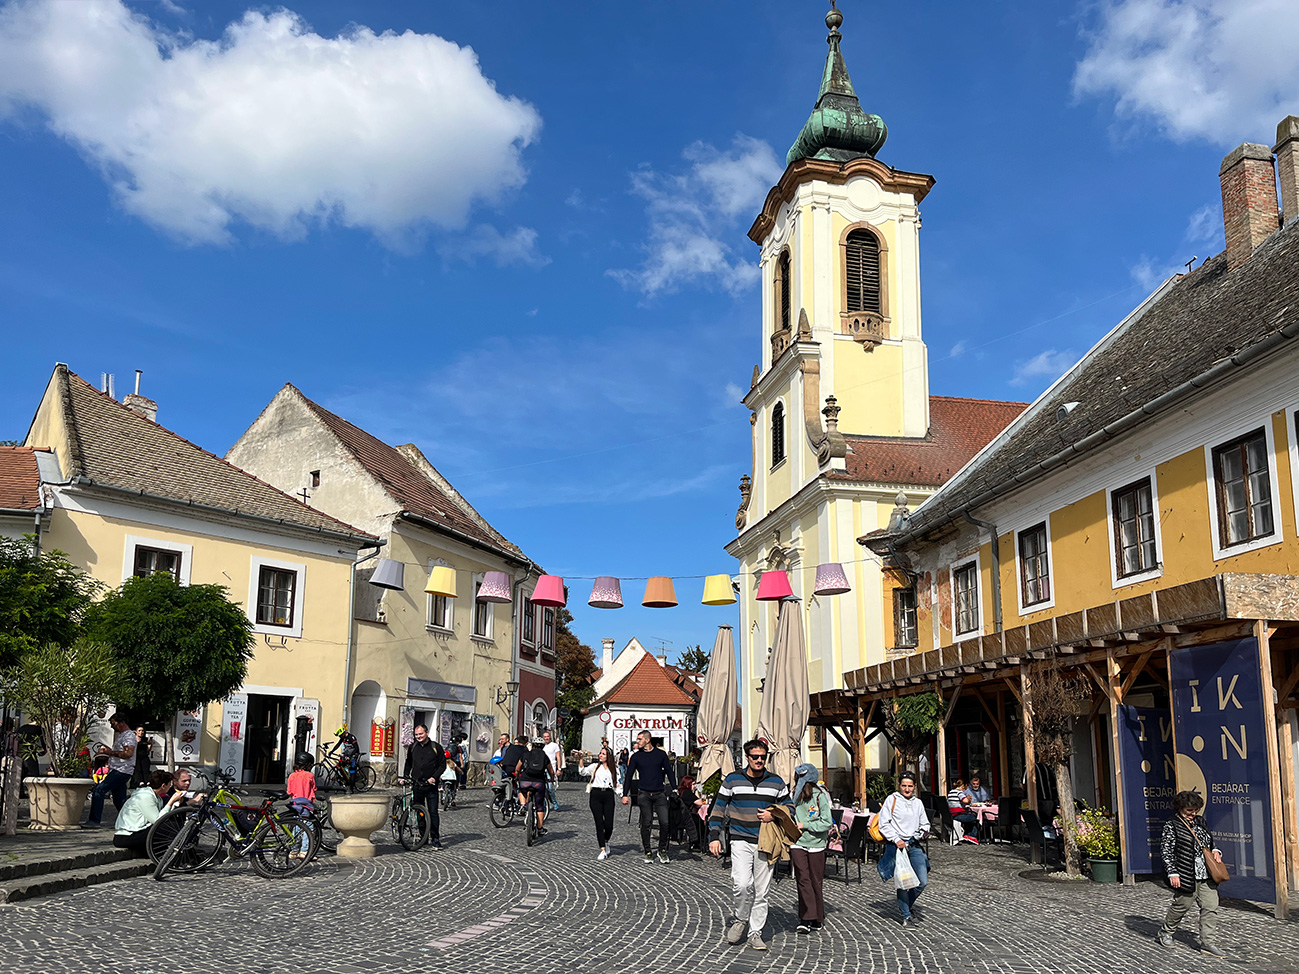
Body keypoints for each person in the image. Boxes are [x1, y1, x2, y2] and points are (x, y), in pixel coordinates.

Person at [708, 739, 792, 952]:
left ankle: (755, 932)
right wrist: (714, 836)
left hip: (766, 842)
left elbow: (790, 807)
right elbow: (718, 808)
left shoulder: (776, 781)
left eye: (763, 757)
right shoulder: (733, 780)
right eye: (755, 757)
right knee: (742, 883)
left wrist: (773, 814)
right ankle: (741, 918)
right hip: (740, 839)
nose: (759, 760)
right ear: (747, 757)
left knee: (762, 891)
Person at [1158, 790, 1227, 957]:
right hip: (1185, 872)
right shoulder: (1171, 824)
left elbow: (1210, 842)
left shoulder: (1201, 822)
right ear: (1180, 808)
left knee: (1210, 907)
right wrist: (1172, 873)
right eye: (1190, 810)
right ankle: (1166, 932)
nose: (1193, 813)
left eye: (1195, 810)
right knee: (1182, 905)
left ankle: (1208, 943)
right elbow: (1166, 850)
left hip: (1206, 873)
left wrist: (1216, 851)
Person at [876, 771, 930, 928]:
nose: (907, 789)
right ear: (899, 785)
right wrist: (896, 839)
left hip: (914, 844)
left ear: (914, 787)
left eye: (910, 786)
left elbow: (925, 823)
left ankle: (906, 905)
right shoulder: (892, 800)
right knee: (904, 882)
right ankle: (906, 915)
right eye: (904, 785)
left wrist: (923, 831)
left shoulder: (917, 803)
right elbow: (883, 824)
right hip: (898, 847)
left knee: (922, 881)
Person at [789, 763, 833, 934]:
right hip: (797, 842)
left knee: (815, 881)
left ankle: (818, 917)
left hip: (816, 845)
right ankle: (805, 918)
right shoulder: (794, 795)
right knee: (803, 879)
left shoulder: (820, 796)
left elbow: (827, 822)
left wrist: (804, 824)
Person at [622, 730, 676, 864]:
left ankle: (662, 850)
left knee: (665, 823)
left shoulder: (661, 755)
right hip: (644, 794)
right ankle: (648, 851)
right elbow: (629, 776)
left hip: (659, 793)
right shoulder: (636, 757)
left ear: (647, 740)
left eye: (639, 739)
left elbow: (669, 771)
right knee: (646, 824)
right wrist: (625, 794)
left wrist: (675, 788)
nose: (637, 741)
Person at [84, 713, 136, 828]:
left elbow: (128, 753)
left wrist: (109, 752)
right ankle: (129, 821)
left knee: (99, 790)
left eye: (113, 724)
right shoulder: (122, 736)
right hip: (119, 769)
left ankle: (94, 820)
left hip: (121, 770)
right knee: (119, 799)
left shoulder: (128, 736)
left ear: (121, 723)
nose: (112, 727)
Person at [113, 770, 180, 853]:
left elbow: (163, 816)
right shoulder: (145, 797)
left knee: (174, 824)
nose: (171, 787)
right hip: (126, 836)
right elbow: (157, 821)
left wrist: (173, 804)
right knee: (168, 826)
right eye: (169, 784)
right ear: (163, 786)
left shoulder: (157, 798)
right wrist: (171, 802)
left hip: (139, 831)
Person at [403, 724, 445, 849]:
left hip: (431, 785)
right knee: (419, 812)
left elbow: (442, 765)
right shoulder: (413, 747)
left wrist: (434, 777)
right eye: (416, 735)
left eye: (421, 734)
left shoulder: (436, 747)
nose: (418, 737)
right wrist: (406, 776)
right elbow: (408, 763)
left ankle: (435, 838)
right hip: (417, 784)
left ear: (426, 733)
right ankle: (423, 837)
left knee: (433, 812)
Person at [579, 744, 620, 859]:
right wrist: (580, 759)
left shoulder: (614, 769)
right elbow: (582, 772)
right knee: (599, 822)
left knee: (609, 825)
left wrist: (623, 796)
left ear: (608, 757)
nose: (600, 756)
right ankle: (602, 848)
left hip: (608, 794)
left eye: (603, 754)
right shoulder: (595, 766)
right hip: (596, 795)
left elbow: (617, 784)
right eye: (600, 753)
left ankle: (606, 840)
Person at [515, 737, 553, 836]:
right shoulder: (544, 756)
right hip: (539, 782)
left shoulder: (526, 754)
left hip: (525, 780)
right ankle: (540, 828)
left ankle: (523, 805)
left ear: (532, 745)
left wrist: (517, 775)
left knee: (520, 790)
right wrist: (551, 779)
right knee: (540, 806)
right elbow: (551, 771)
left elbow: (518, 767)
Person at [286, 753, 317, 858]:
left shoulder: (292, 776)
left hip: (295, 804)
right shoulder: (310, 775)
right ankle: (304, 850)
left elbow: (289, 791)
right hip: (306, 805)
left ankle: (294, 851)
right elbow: (314, 788)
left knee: (297, 827)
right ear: (308, 765)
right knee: (308, 828)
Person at [678, 775, 707, 850]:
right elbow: (700, 802)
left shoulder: (682, 791)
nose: (695, 786)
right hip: (686, 817)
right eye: (693, 784)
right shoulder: (687, 793)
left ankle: (698, 842)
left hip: (681, 815)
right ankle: (699, 842)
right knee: (700, 822)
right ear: (688, 784)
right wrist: (696, 791)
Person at [946, 777, 978, 843]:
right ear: (963, 786)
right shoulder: (959, 793)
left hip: (951, 814)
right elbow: (965, 801)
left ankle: (967, 834)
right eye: (965, 787)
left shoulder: (951, 792)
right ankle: (971, 835)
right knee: (977, 818)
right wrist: (969, 799)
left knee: (970, 816)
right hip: (958, 814)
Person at [542, 730, 564, 811]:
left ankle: (554, 801)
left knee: (550, 787)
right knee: (542, 787)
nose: (546, 738)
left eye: (548, 736)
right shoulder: (542, 746)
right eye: (545, 737)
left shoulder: (554, 745)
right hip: (542, 767)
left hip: (551, 767)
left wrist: (559, 768)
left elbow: (558, 757)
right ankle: (545, 803)